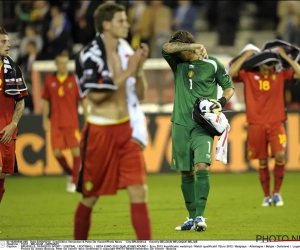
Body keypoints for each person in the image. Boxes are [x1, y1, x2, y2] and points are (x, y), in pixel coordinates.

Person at [74, 2, 151, 240]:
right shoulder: (90, 55)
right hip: (100, 132)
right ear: (106, 25)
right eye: (121, 21)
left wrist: (138, 71)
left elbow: (140, 94)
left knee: (139, 190)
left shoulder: (126, 51)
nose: (127, 25)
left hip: (127, 130)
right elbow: (95, 97)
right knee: (90, 196)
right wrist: (128, 71)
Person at [162, 30, 235, 232]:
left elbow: (229, 87)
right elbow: (166, 48)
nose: (178, 52)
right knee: (185, 171)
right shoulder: (177, 63)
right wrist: (192, 47)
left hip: (202, 125)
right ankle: (192, 218)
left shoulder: (213, 64)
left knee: (202, 166)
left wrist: (221, 101)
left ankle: (201, 217)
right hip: (180, 124)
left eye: (182, 48)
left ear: (187, 44)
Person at [228, 47, 300, 207]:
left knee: (280, 155)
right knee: (262, 160)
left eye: (273, 63)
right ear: (260, 65)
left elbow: (299, 73)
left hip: (276, 122)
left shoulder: (280, 75)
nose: (270, 66)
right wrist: (245, 56)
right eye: (267, 63)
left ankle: (277, 193)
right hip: (256, 123)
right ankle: (266, 195)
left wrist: (285, 58)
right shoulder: (248, 75)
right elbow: (232, 73)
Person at [42, 54, 87, 193]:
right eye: (61, 63)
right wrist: (44, 119)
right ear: (56, 64)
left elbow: (83, 100)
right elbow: (46, 102)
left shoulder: (74, 79)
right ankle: (70, 173)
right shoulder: (49, 80)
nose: (63, 65)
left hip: (71, 122)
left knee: (76, 151)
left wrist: (87, 118)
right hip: (55, 122)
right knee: (56, 153)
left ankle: (74, 181)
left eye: (65, 63)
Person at [0, 27, 28, 204]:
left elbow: (21, 100)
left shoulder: (14, 69)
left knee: (2, 176)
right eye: (3, 41)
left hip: (6, 132)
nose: (8, 44)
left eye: (9, 41)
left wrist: (14, 124)